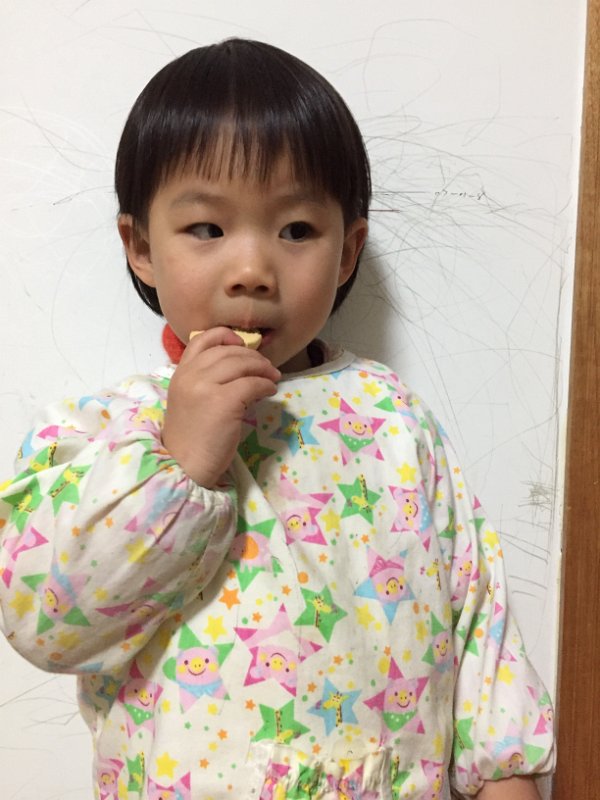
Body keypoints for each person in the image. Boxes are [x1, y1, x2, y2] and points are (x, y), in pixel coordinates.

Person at [0, 39, 554, 799]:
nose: (253, 269)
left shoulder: (392, 418)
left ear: (348, 251)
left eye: (296, 230)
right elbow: (44, 622)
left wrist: (506, 773)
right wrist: (178, 463)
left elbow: (476, 612)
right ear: (141, 248)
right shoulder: (106, 431)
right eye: (207, 229)